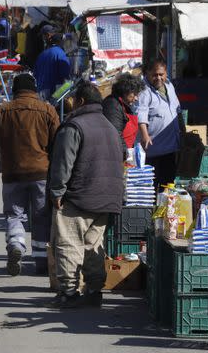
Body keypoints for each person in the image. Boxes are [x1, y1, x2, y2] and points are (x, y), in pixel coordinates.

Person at [48, 84, 125, 308]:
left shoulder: (74, 126)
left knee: (69, 243)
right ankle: (94, 290)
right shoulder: (110, 127)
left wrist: (57, 191)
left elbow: (63, 163)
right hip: (106, 197)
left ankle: (69, 292)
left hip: (79, 195)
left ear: (80, 101)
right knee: (93, 245)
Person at [0, 73, 60, 276]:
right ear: (34, 90)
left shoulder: (2, 111)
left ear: (14, 90)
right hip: (41, 173)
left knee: (14, 214)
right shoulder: (47, 110)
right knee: (41, 216)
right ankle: (42, 261)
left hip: (12, 173)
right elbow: (58, 143)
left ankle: (16, 244)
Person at [137, 59, 182, 190]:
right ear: (148, 74)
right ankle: (153, 209)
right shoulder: (144, 90)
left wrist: (183, 131)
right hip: (154, 148)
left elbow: (177, 110)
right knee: (152, 185)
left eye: (161, 74)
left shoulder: (169, 86)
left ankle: (166, 208)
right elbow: (141, 114)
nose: (158, 78)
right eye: (155, 75)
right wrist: (145, 135)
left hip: (171, 147)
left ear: (166, 74)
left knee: (168, 183)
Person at [103, 72, 146, 148]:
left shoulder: (124, 105)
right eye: (134, 94)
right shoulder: (113, 106)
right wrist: (125, 154)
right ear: (125, 91)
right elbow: (115, 135)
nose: (136, 99)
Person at [34, 27, 71, 101]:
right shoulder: (60, 54)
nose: (43, 38)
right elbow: (66, 76)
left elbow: (35, 74)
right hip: (52, 94)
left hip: (40, 93)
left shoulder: (42, 54)